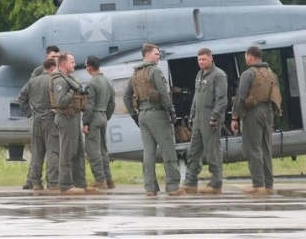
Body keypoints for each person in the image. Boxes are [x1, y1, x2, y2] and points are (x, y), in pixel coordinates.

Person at [123, 43, 184, 196]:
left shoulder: (135, 74)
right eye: (156, 54)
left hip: (142, 116)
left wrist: (135, 116)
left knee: (148, 152)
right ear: (148, 55)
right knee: (168, 150)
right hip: (157, 114)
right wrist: (171, 111)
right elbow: (164, 93)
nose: (159, 56)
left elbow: (126, 97)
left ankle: (150, 188)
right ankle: (173, 187)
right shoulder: (155, 71)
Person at [231, 46, 282, 195]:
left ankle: (258, 185)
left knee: (253, 148)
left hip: (253, 112)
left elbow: (241, 97)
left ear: (250, 57)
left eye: (246, 57)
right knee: (266, 148)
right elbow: (277, 94)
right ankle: (269, 185)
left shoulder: (248, 74)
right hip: (269, 111)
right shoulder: (271, 73)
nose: (245, 59)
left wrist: (235, 116)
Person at [51, 52, 98, 195]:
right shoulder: (60, 81)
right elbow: (61, 101)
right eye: (71, 62)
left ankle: (80, 183)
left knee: (78, 152)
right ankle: (65, 185)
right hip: (66, 118)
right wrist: (71, 92)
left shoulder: (69, 79)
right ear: (64, 64)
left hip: (74, 118)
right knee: (67, 152)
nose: (74, 64)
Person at [183, 47, 228, 194]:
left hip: (211, 117)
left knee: (212, 150)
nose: (201, 62)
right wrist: (192, 114)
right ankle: (190, 182)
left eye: (203, 59)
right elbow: (196, 96)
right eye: (199, 59)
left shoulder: (219, 75)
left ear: (211, 58)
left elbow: (222, 100)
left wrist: (215, 117)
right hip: (198, 118)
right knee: (194, 150)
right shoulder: (199, 75)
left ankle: (216, 183)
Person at [18, 58, 59, 191]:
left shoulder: (32, 81)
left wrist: (29, 113)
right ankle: (53, 182)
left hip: (36, 120)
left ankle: (35, 182)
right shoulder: (54, 81)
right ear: (52, 68)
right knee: (53, 151)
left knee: (37, 152)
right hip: (51, 119)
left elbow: (21, 97)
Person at [83, 55, 116, 189]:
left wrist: (85, 122)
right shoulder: (108, 81)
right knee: (103, 149)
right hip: (103, 116)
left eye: (86, 66)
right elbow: (112, 103)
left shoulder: (91, 83)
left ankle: (100, 180)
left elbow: (89, 105)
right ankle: (109, 180)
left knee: (92, 150)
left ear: (90, 67)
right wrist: (106, 116)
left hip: (94, 117)